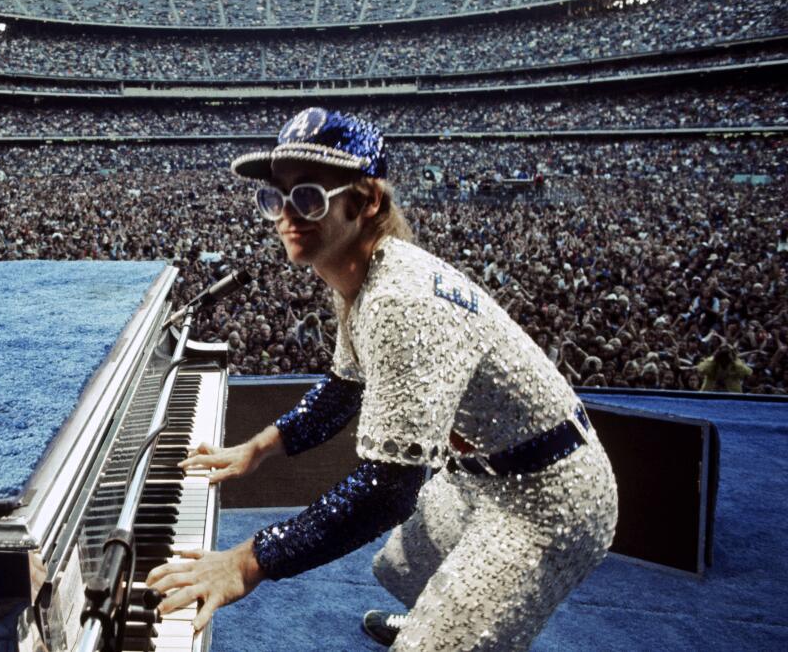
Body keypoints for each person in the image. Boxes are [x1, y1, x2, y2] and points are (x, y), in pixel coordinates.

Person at [147, 107, 619, 651]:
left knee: (443, 632)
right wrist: (258, 449)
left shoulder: (399, 300)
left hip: (550, 497)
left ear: (366, 201)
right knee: (399, 566)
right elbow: (346, 386)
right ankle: (439, 624)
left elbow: (388, 491)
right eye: (277, 197)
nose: (286, 216)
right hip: (483, 473)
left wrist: (250, 559)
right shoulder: (361, 272)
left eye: (309, 196)